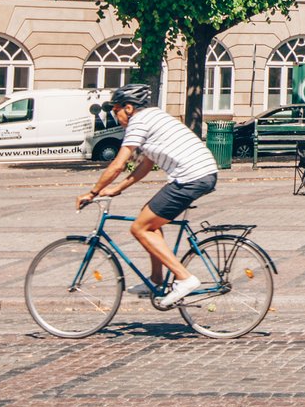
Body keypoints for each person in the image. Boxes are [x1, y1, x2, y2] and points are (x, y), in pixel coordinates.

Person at [74, 85, 217, 308]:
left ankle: (184, 278)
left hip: (190, 177)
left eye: (115, 111)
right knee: (148, 218)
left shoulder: (138, 123)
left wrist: (92, 192)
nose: (115, 116)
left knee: (139, 228)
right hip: (200, 174)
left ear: (128, 108)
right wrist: (117, 188)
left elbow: (118, 164)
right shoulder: (154, 117)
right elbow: (145, 165)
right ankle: (157, 280)